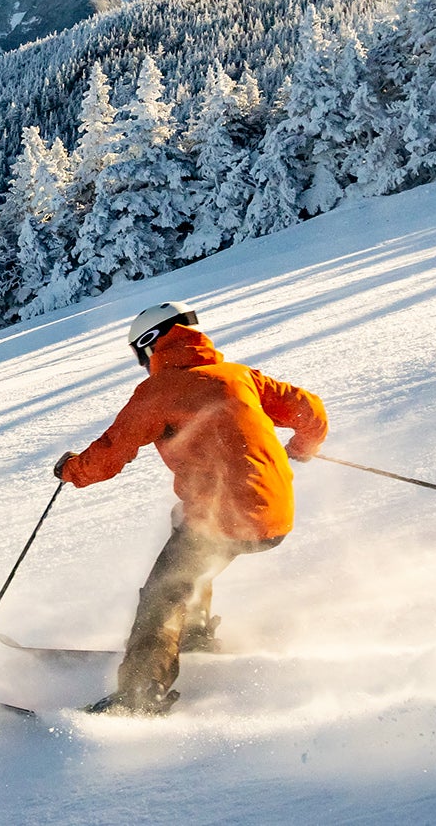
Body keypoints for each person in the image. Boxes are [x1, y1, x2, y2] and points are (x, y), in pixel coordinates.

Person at [53, 300, 328, 715]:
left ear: (150, 344)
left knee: (164, 595)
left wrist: (72, 470)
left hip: (223, 521)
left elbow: (110, 454)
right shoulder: (238, 376)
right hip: (275, 516)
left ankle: (141, 694)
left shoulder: (157, 393)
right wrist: (302, 448)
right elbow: (311, 411)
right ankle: (195, 633)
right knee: (185, 526)